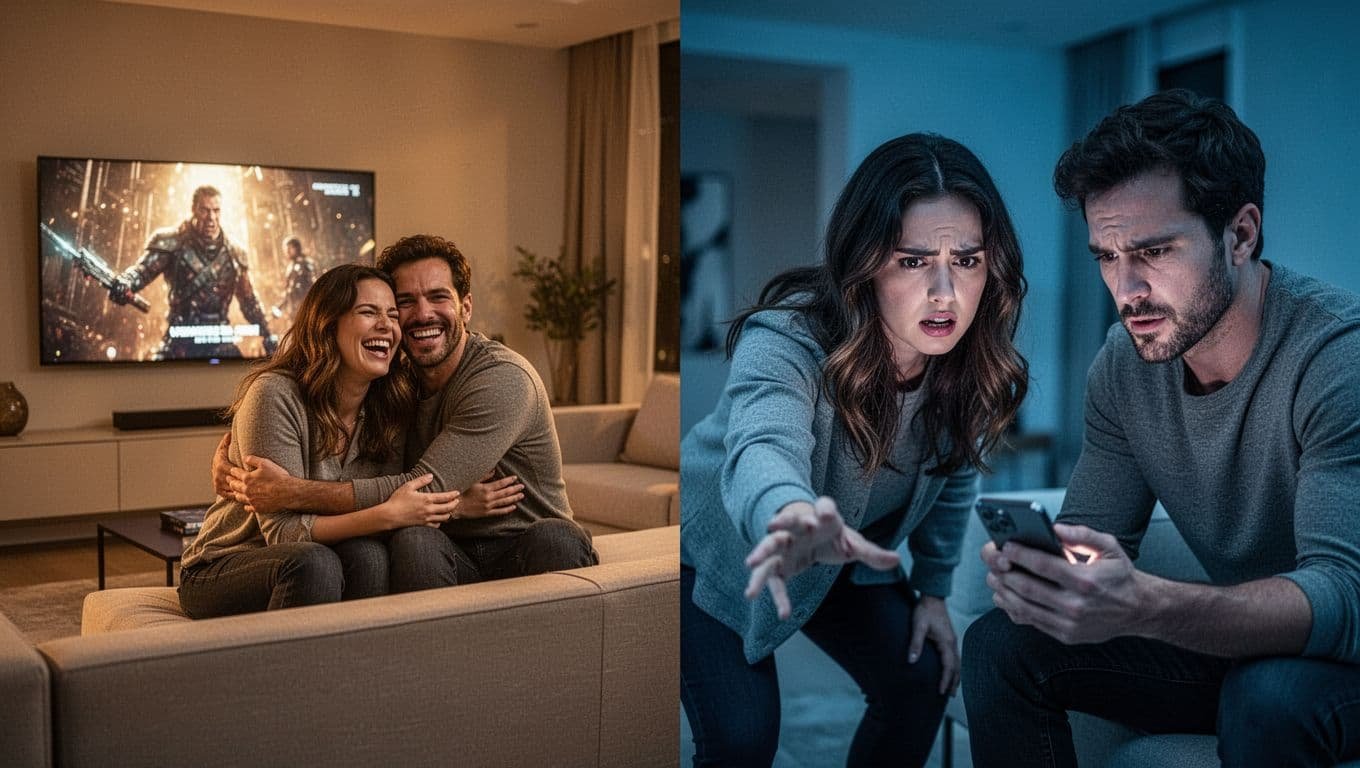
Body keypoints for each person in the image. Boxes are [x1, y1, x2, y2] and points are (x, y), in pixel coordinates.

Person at [962, 89, 1360, 768]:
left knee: (1268, 693)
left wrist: (1145, 604)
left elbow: (1343, 601)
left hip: (1340, 659)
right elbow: (1095, 539)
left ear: (1240, 234)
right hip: (1243, 653)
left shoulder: (1335, 358)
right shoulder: (1124, 365)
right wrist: (1051, 580)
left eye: (1153, 251)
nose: (1127, 289)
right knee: (1001, 645)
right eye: (1106, 256)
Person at [680, 133, 1029, 767]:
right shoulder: (786, 340)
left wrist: (931, 592)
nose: (946, 292)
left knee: (923, 680)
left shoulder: (968, 363)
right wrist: (789, 511)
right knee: (740, 738)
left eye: (968, 260)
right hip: (720, 553)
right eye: (914, 261)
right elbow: (763, 443)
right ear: (866, 263)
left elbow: (953, 480)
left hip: (840, 552)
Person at [219, 234, 596, 592]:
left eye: (437, 297)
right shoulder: (392, 383)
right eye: (406, 302)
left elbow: (422, 488)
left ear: (465, 307)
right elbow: (384, 482)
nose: (423, 314)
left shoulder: (502, 379)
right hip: (446, 545)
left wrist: (289, 491)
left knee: (557, 537)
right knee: (410, 542)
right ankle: (420, 658)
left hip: (522, 544)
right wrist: (231, 464)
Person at [180, 264, 462, 617]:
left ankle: (359, 669)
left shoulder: (390, 405)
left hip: (322, 554)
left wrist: (459, 504)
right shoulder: (273, 395)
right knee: (314, 564)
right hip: (226, 564)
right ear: (328, 324)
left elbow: (402, 494)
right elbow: (282, 533)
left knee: (369, 556)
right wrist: (386, 515)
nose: (387, 326)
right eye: (367, 312)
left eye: (392, 315)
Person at [109, 184, 276, 360]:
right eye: (205, 210)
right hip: (180, 339)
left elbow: (249, 301)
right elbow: (142, 272)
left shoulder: (234, 253)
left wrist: (267, 333)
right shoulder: (172, 243)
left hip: (220, 339)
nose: (211, 217)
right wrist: (126, 282)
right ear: (194, 210)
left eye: (216, 211)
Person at [274, 235, 317, 322]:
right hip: (295, 311)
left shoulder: (305, 264)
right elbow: (290, 291)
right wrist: (281, 306)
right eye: (286, 249)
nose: (287, 251)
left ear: (297, 248)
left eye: (290, 248)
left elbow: (310, 288)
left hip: (305, 311)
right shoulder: (291, 266)